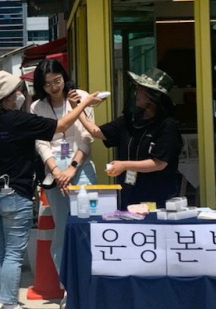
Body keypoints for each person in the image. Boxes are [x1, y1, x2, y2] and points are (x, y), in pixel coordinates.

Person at [0, 70, 97, 309]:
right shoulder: (18, 120)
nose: (20, 94)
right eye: (16, 91)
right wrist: (84, 103)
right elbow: (60, 127)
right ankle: (10, 308)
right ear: (7, 96)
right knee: (13, 253)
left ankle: (0, 302)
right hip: (14, 193)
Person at [30, 59, 96, 306]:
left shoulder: (81, 98)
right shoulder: (37, 106)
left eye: (57, 80)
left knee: (87, 226)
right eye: (47, 84)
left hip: (80, 165)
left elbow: (87, 137)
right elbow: (40, 142)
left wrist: (72, 168)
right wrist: (57, 170)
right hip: (54, 169)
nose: (54, 87)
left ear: (64, 76)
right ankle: (68, 287)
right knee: (62, 229)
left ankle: (89, 284)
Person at [78, 68, 183, 208]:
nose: (135, 93)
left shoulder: (167, 125)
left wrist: (124, 165)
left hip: (157, 195)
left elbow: (160, 163)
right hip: (130, 193)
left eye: (140, 90)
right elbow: (97, 132)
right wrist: (79, 107)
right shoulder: (130, 120)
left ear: (153, 96)